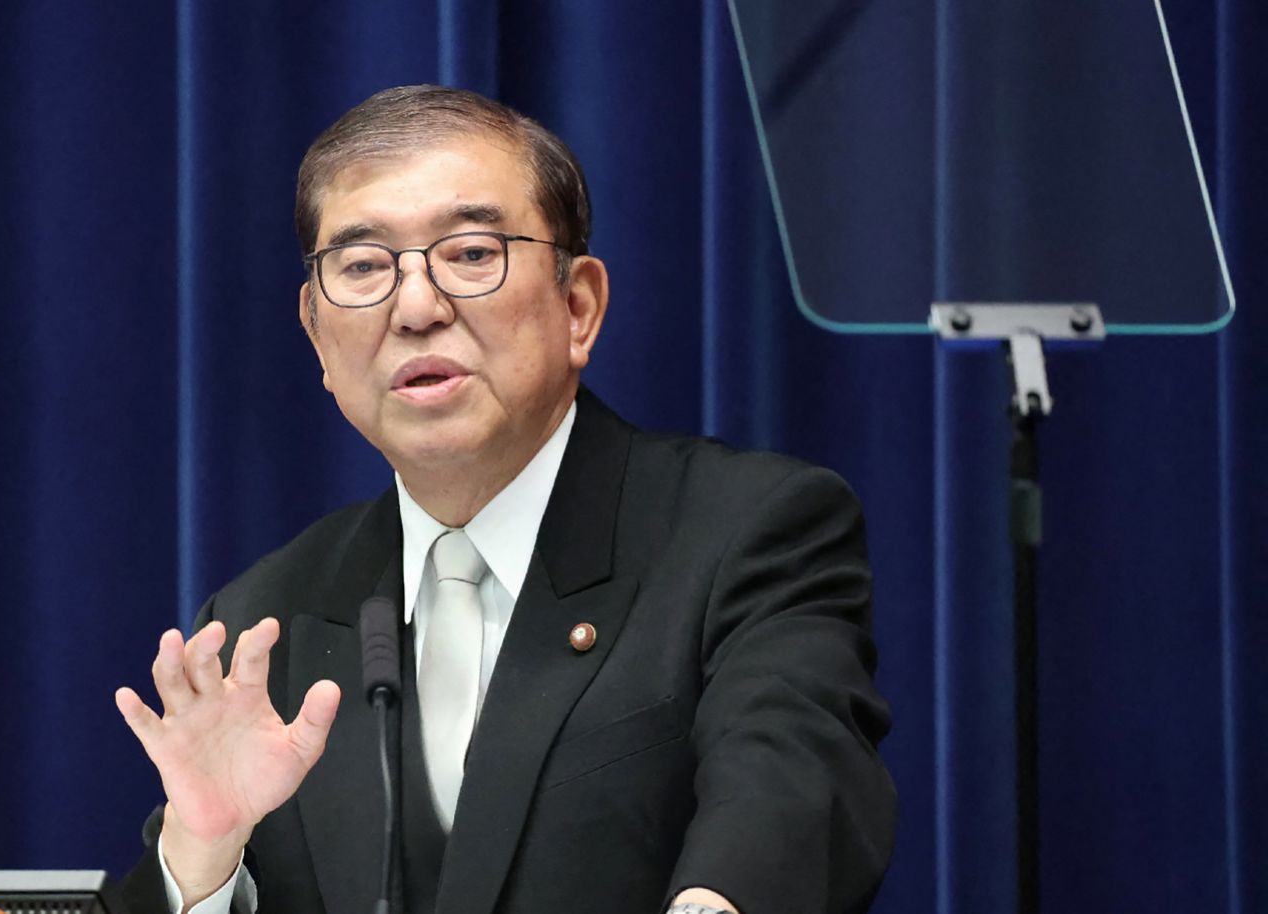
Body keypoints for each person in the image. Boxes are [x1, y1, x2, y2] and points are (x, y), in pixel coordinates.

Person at [113, 85, 895, 914]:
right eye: (365, 266)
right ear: (316, 336)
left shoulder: (746, 531)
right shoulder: (267, 621)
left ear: (578, 306)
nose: (417, 307)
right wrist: (203, 855)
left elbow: (791, 788)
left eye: (472, 252)